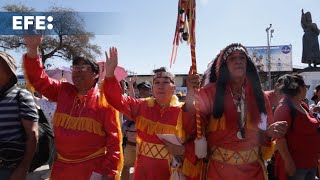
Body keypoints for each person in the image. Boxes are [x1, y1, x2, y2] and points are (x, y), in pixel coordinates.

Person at [22, 35, 123, 180]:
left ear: (95, 74)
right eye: (75, 67)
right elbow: (39, 79)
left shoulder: (105, 102)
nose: (77, 71)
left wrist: (109, 172)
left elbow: (114, 142)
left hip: (91, 170)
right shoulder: (63, 90)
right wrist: (33, 49)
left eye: (82, 67)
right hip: (61, 169)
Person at [186, 43, 288, 179]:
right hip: (219, 172)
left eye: (242, 58)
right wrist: (190, 95)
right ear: (224, 66)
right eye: (232, 58)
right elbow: (192, 128)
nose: (238, 61)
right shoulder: (210, 92)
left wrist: (270, 132)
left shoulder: (259, 95)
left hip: (253, 172)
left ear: (248, 64)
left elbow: (264, 134)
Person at [103, 47, 199, 179]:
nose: (161, 86)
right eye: (157, 82)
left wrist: (183, 151)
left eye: (166, 82)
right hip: (143, 169)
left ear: (174, 88)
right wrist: (109, 74)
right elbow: (116, 100)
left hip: (170, 171)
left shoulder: (183, 110)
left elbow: (197, 138)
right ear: (152, 88)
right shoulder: (142, 106)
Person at [0, 51, 39, 180]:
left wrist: (23, 169)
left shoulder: (21, 95)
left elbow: (32, 136)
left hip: (9, 169)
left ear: (8, 70)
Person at [274, 74, 320, 180]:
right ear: (299, 88)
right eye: (306, 87)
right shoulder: (284, 108)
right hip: (296, 166)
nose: (307, 90)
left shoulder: (303, 105)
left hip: (310, 163)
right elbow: (280, 139)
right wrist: (289, 163)